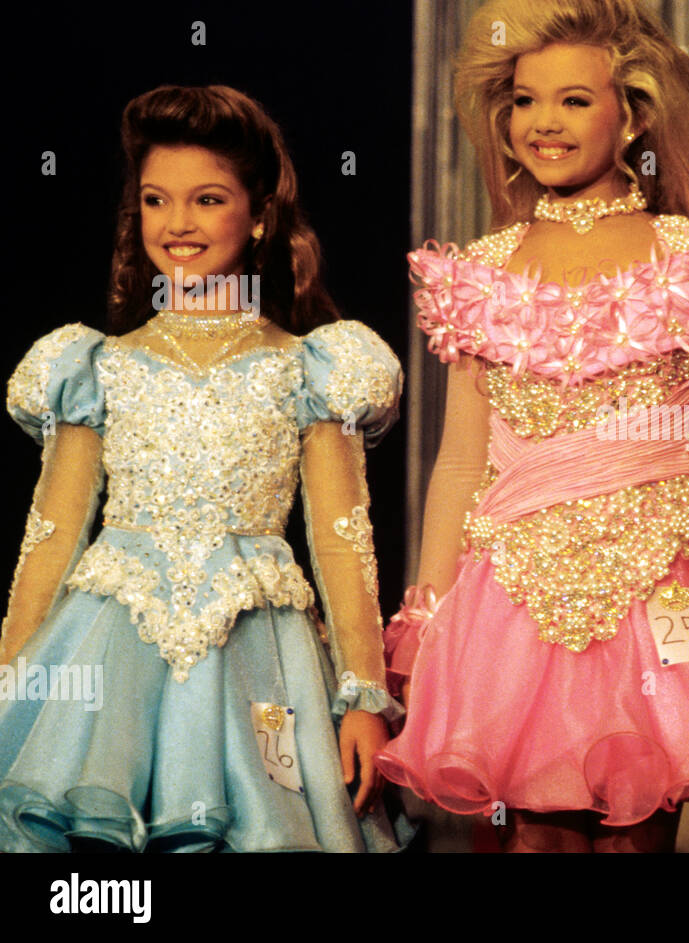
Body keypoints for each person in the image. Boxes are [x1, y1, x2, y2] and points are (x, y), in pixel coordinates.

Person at [375, 0, 689, 853]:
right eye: (524, 99)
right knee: (529, 839)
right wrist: (426, 612)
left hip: (662, 580)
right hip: (512, 591)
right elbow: (458, 459)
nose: (543, 122)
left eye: (574, 101)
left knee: (638, 834)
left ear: (630, 116)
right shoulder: (477, 271)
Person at [0, 85, 404, 852]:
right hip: (109, 651)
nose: (177, 224)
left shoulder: (310, 366)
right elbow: (49, 536)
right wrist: (11, 673)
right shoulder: (96, 367)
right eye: (156, 200)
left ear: (257, 215)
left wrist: (363, 694)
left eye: (206, 199)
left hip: (258, 656)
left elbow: (344, 536)